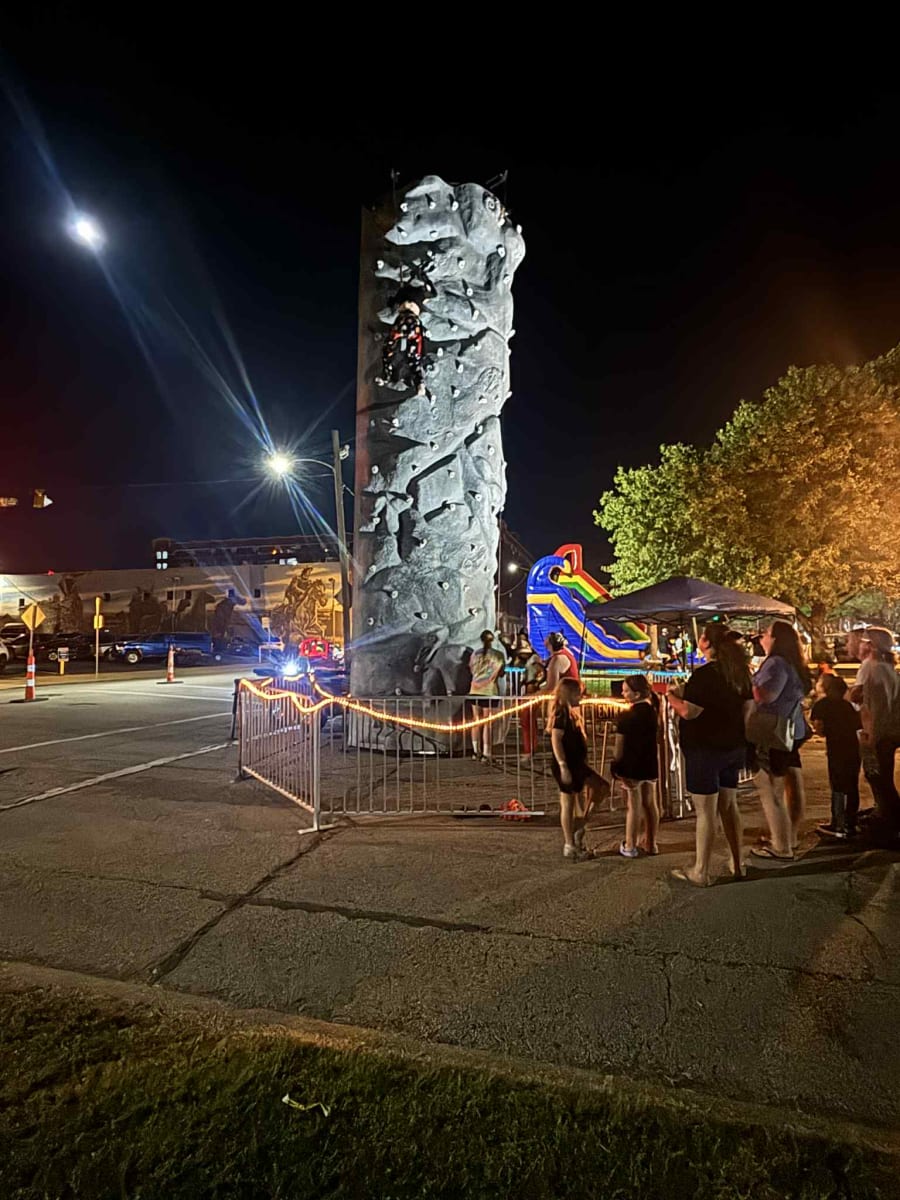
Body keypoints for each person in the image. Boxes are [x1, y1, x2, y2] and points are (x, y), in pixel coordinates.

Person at [666, 623, 752, 886]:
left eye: (701, 636)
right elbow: (748, 710)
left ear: (707, 643)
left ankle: (701, 870)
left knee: (706, 812)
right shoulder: (739, 674)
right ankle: (737, 862)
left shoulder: (703, 675)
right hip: (733, 746)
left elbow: (689, 712)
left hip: (705, 748)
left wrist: (671, 698)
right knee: (729, 805)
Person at [748, 620, 812, 863]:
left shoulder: (776, 663)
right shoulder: (794, 664)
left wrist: (750, 682)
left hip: (774, 733)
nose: (762, 637)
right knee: (792, 783)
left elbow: (766, 695)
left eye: (766, 633)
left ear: (776, 639)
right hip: (792, 731)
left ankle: (781, 846)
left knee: (769, 789)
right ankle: (789, 837)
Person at [549, 677, 608, 860]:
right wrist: (563, 766)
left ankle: (581, 824)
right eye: (578, 694)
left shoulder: (572, 713)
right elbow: (556, 740)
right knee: (568, 802)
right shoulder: (561, 714)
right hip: (568, 764)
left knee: (600, 788)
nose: (581, 697)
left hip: (577, 763)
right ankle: (570, 843)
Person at [856, 627, 900, 843]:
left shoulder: (872, 669)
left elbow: (875, 708)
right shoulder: (886, 669)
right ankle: (888, 818)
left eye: (862, 641)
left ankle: (890, 823)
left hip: (878, 734)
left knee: (878, 778)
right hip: (888, 733)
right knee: (882, 778)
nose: (858, 645)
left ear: (871, 646)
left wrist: (871, 736)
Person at [611, 675, 661, 857]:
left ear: (637, 694)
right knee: (651, 803)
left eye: (626, 691)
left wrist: (615, 764)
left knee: (633, 805)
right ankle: (651, 843)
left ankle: (630, 844)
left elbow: (619, 744)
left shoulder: (626, 716)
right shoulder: (653, 712)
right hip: (649, 762)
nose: (623, 694)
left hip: (631, 765)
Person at [810, 673, 861, 840]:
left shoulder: (822, 705)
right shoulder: (848, 706)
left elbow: (819, 727)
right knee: (852, 785)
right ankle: (850, 822)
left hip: (836, 749)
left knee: (838, 786)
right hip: (853, 748)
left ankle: (838, 823)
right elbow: (857, 724)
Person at [468, 630, 505, 761]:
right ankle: (486, 752)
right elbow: (502, 672)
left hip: (474, 690)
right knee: (487, 723)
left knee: (476, 721)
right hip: (490, 691)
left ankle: (475, 751)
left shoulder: (475, 654)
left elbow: (471, 669)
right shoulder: (498, 655)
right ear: (493, 640)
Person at [512, 631, 544, 762]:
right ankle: (531, 748)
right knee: (528, 722)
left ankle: (529, 750)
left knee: (527, 722)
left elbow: (541, 674)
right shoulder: (525, 661)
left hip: (531, 693)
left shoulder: (534, 660)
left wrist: (536, 684)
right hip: (526, 692)